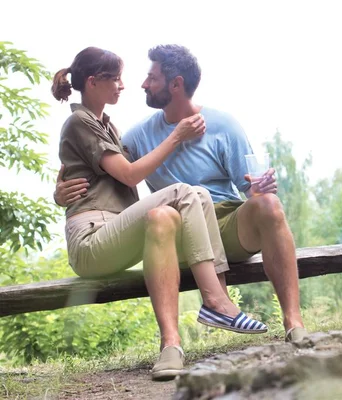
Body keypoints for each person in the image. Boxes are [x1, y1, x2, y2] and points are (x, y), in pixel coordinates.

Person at [55, 44, 308, 343]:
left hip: (224, 223)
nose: (140, 84)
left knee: (269, 205)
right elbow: (114, 170)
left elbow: (248, 187)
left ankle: (293, 322)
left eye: (152, 78)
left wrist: (257, 190)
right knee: (187, 196)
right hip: (175, 232)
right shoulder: (133, 134)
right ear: (93, 82)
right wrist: (59, 193)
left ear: (176, 84)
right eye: (120, 78)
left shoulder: (222, 125)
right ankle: (213, 304)